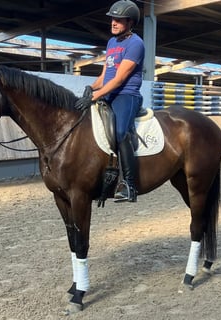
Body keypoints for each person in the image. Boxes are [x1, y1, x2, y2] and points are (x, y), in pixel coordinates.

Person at [75, 0, 144, 202]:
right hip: (108, 93)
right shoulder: (111, 43)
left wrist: (96, 96)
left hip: (127, 95)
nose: (113, 22)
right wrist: (91, 88)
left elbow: (120, 78)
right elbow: (105, 75)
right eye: (112, 19)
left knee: (121, 132)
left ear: (130, 22)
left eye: (118, 20)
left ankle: (129, 184)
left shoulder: (136, 44)